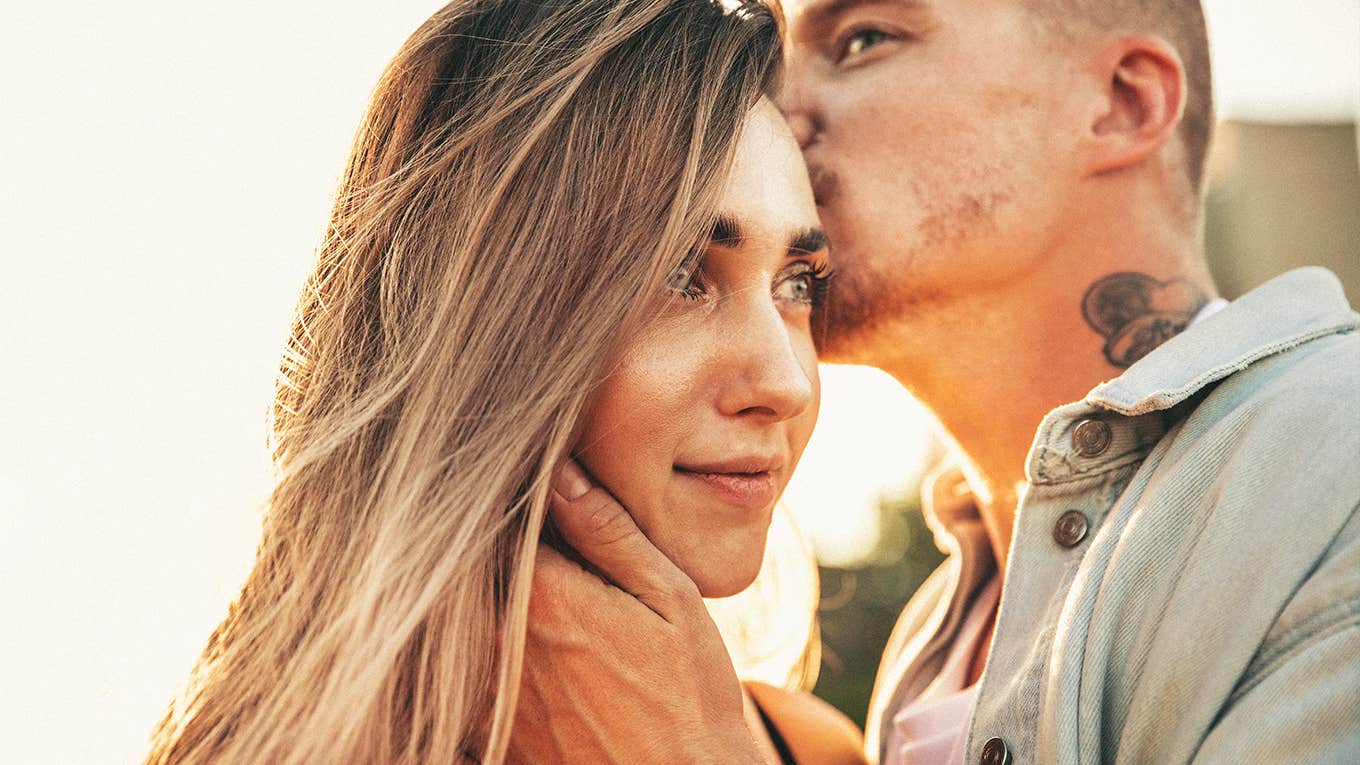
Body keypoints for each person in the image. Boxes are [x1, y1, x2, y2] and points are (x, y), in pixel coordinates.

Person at [520, 0, 1360, 762]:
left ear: (1124, 101)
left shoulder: (1334, 481)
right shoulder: (938, 638)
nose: (784, 108)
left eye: (862, 40)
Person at [143, 2, 862, 762]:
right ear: (490, 319)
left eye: (797, 283)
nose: (787, 383)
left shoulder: (811, 748)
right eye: (682, 275)